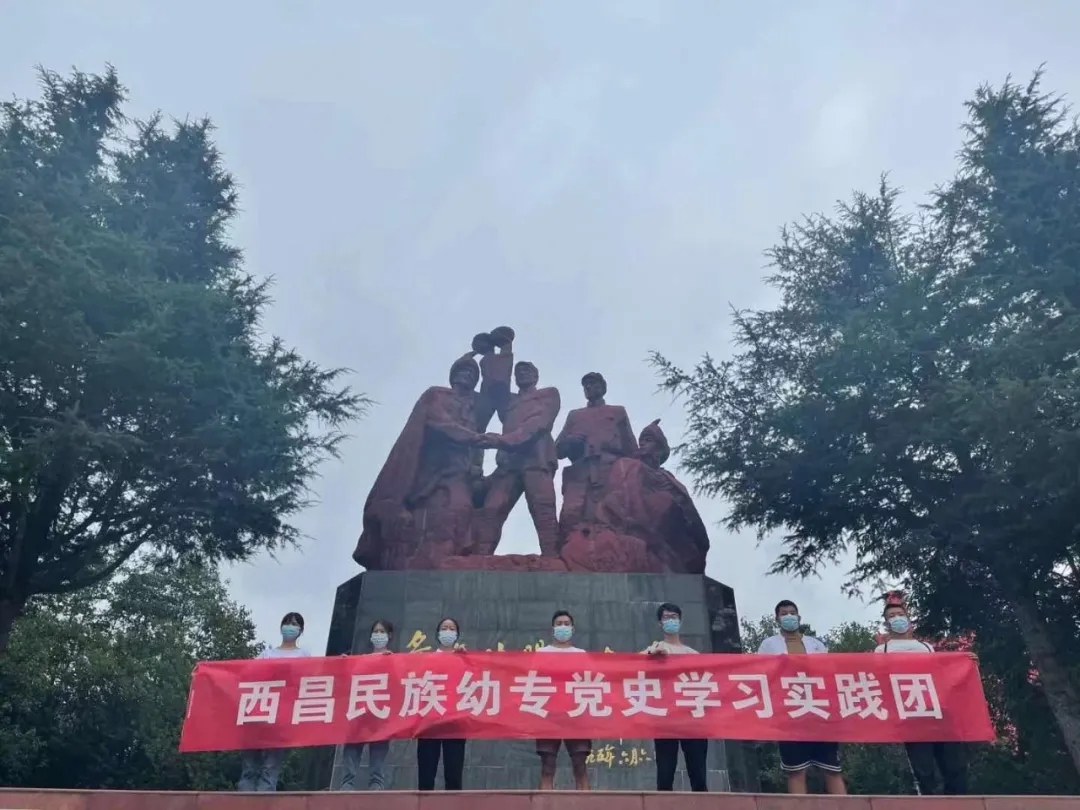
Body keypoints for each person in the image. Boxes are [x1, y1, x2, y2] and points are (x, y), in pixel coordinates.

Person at [875, 601, 972, 796]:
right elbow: (880, 680)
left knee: (954, 766)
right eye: (891, 616)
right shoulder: (882, 651)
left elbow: (939, 673)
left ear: (908, 619)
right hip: (911, 715)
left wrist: (966, 662)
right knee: (924, 771)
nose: (897, 618)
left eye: (900, 614)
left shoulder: (925, 647)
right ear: (887, 623)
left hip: (937, 710)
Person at [756, 600, 847, 796]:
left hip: (819, 709)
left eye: (792, 612)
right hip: (789, 711)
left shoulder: (816, 644)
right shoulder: (768, 645)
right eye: (784, 613)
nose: (789, 616)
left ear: (799, 617)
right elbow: (761, 673)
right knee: (795, 771)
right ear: (777, 618)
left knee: (832, 769)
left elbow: (830, 671)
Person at [238, 612, 311, 792]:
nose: (290, 627)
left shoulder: (303, 655)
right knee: (250, 765)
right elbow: (249, 673)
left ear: (301, 630)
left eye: (294, 624)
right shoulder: (267, 653)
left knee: (271, 766)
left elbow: (307, 679)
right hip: (259, 711)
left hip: (282, 714)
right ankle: (243, 800)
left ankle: (263, 800)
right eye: (287, 623)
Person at [643, 602, 708, 792]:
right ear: (660, 623)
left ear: (680, 621)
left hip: (693, 717)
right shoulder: (655, 648)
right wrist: (651, 656)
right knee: (665, 775)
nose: (670, 621)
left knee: (698, 775)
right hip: (666, 717)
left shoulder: (693, 654)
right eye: (666, 617)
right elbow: (631, 663)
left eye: (674, 617)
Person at [534, 610, 591, 791]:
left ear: (573, 629)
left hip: (576, 714)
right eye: (559, 624)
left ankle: (585, 802)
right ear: (552, 628)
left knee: (580, 766)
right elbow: (532, 680)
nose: (563, 627)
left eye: (566, 624)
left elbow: (591, 680)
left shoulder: (581, 654)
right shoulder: (541, 653)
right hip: (548, 713)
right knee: (547, 766)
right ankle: (545, 802)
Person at [339, 619, 394, 791]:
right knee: (352, 749)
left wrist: (393, 662)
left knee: (378, 750)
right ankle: (347, 783)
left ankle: (376, 783)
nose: (378, 635)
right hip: (359, 709)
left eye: (382, 632)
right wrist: (343, 665)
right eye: (375, 631)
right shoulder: (361, 659)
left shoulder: (394, 659)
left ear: (389, 636)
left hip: (381, 711)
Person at [417, 617, 468, 791]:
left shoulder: (463, 658)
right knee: (426, 775)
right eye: (444, 628)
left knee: (454, 775)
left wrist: (465, 658)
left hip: (455, 721)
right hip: (430, 719)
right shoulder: (427, 659)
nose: (448, 631)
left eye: (452, 629)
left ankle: (453, 804)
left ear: (457, 634)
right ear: (438, 633)